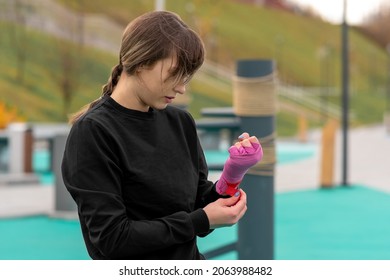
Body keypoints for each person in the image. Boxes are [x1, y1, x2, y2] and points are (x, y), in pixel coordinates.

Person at [61, 10, 263, 260]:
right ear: (142, 60)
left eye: (187, 77)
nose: (181, 87)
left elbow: (199, 204)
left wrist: (233, 173)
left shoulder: (181, 122)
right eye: (175, 73)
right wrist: (199, 221)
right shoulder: (93, 133)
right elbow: (112, 239)